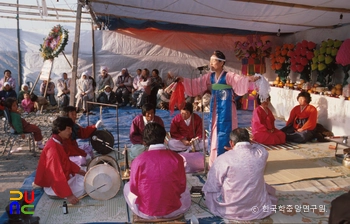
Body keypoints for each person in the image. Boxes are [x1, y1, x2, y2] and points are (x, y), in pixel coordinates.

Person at [180, 50, 259, 166]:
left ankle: (227, 158)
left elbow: (239, 79)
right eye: (210, 61)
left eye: (214, 61)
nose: (211, 64)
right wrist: (184, 81)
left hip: (227, 108)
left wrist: (248, 79)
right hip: (215, 108)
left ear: (222, 63)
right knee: (214, 130)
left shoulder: (228, 75)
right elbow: (197, 83)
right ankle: (214, 158)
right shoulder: (210, 76)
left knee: (227, 130)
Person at [203, 128, 277, 221]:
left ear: (231, 143)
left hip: (230, 209)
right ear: (249, 141)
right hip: (256, 206)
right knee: (264, 187)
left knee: (209, 191)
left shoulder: (223, 159)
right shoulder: (261, 154)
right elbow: (259, 147)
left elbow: (213, 185)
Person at [124, 122, 191, 219]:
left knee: (126, 186)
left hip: (146, 212)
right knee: (186, 191)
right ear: (164, 139)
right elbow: (182, 187)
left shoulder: (137, 161)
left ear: (145, 142)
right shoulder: (178, 159)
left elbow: (134, 189)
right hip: (174, 210)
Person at [34, 117, 85, 205]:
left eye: (71, 129)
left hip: (60, 180)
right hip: (53, 188)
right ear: (59, 130)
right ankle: (64, 193)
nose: (70, 131)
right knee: (86, 186)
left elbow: (66, 161)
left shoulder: (57, 142)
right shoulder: (53, 148)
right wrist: (69, 195)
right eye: (68, 129)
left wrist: (80, 171)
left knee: (86, 175)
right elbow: (55, 174)